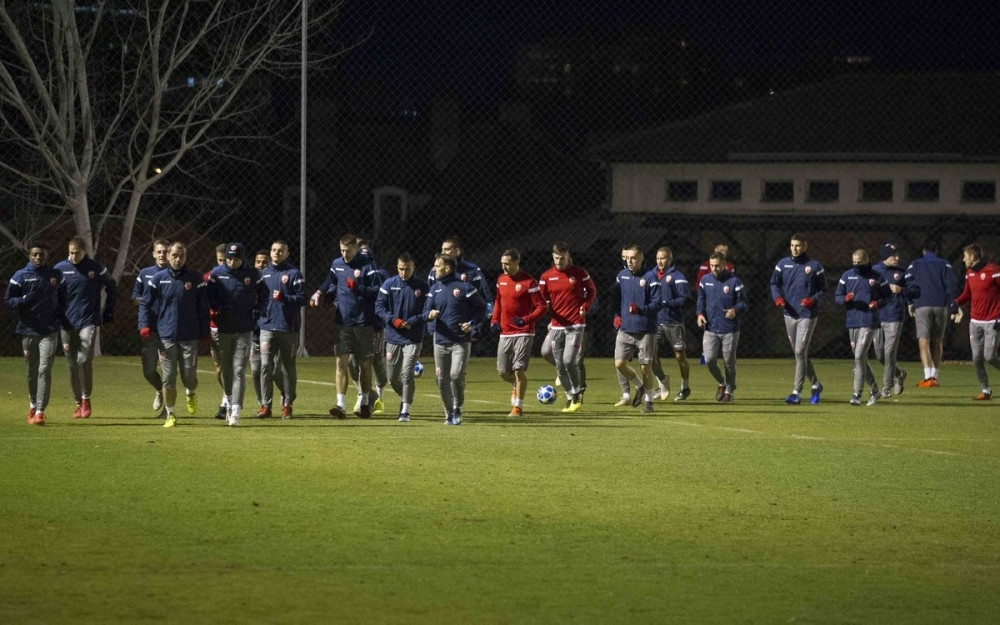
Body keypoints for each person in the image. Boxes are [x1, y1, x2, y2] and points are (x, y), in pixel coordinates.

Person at [139, 242, 210, 428]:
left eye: (181, 256)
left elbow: (203, 308)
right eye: (174, 256)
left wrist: (204, 332)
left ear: (185, 257)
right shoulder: (157, 279)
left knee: (189, 377)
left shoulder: (195, 279)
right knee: (168, 378)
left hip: (189, 336)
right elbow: (145, 304)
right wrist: (144, 325)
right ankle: (171, 414)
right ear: (168, 257)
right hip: (166, 337)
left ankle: (190, 392)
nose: (177, 259)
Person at [320, 234, 384, 419]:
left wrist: (358, 288)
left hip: (363, 323)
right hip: (342, 323)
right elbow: (331, 281)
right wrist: (320, 292)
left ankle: (364, 401)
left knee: (365, 364)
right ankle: (340, 405)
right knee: (341, 363)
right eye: (342, 250)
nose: (345, 254)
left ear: (355, 249)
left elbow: (377, 291)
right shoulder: (337, 264)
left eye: (348, 251)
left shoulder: (367, 266)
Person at [55, 236, 116, 419]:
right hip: (66, 323)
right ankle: (77, 402)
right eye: (70, 253)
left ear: (84, 251)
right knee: (72, 364)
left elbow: (111, 285)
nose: (73, 256)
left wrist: (109, 310)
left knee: (83, 360)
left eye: (77, 253)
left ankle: (86, 399)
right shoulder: (59, 269)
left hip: (88, 321)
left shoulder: (95, 268)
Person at [423, 253, 486, 425]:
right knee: (442, 379)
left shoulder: (464, 287)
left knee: (456, 375)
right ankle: (449, 413)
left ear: (448, 268)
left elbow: (482, 309)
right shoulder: (434, 288)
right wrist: (429, 314)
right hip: (440, 341)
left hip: (460, 341)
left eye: (438, 266)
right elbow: (424, 312)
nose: (434, 269)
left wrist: (472, 323)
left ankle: (458, 406)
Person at [5, 243, 64, 425]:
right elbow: (8, 300)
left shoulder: (55, 275)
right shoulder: (21, 276)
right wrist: (24, 299)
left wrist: (59, 319)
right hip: (28, 330)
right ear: (30, 256)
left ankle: (40, 411)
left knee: (44, 369)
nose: (39, 258)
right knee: (31, 371)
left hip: (49, 331)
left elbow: (63, 299)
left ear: (47, 256)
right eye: (35, 255)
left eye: (42, 255)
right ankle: (32, 404)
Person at [207, 242, 263, 426]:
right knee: (226, 369)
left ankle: (236, 410)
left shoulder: (252, 274)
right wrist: (216, 308)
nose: (231, 262)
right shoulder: (216, 274)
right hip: (223, 329)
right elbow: (209, 296)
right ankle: (229, 400)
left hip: (244, 329)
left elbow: (264, 294)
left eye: (235, 259)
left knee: (239, 370)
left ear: (242, 259)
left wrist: (257, 310)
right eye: (229, 258)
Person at [539, 241, 596, 412]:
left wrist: (585, 306)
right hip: (557, 326)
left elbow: (592, 291)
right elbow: (543, 300)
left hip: (576, 324)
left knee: (568, 360)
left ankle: (578, 392)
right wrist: (546, 308)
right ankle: (571, 396)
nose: (559, 262)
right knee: (559, 364)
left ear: (568, 256)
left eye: (562, 258)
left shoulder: (579, 273)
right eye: (556, 258)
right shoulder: (546, 277)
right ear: (553, 257)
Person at [770, 233, 827, 405]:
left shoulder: (814, 266)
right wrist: (778, 298)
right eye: (792, 245)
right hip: (789, 313)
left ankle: (796, 392)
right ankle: (816, 385)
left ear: (805, 246)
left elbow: (823, 288)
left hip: (807, 315)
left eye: (798, 245)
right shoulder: (783, 264)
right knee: (800, 354)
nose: (795, 249)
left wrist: (812, 299)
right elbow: (774, 283)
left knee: (800, 352)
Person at [490, 248, 547, 418]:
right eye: (502, 264)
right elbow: (498, 302)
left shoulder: (529, 282)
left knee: (518, 369)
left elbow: (542, 307)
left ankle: (518, 407)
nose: (504, 267)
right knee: (502, 371)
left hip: (524, 332)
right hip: (505, 332)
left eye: (507, 264)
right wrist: (494, 320)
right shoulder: (501, 280)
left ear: (516, 262)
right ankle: (516, 385)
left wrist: (526, 319)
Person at [375, 252, 429, 422]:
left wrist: (412, 321)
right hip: (393, 336)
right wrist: (394, 320)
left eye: (407, 269)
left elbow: (427, 311)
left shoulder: (422, 287)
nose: (403, 272)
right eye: (400, 269)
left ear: (414, 267)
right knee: (392, 378)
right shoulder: (389, 284)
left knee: (407, 374)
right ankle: (406, 398)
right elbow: (379, 307)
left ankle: (405, 409)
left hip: (413, 338)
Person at [257, 240, 305, 419]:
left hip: (287, 327)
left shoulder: (293, 274)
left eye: (280, 250)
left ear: (287, 253)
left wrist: (285, 298)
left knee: (287, 367)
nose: (276, 253)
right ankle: (265, 405)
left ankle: (288, 404)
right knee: (265, 366)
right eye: (274, 250)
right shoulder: (262, 274)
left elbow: (302, 298)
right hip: (267, 327)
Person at [834, 249, 886, 406]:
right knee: (860, 359)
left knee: (858, 357)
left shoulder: (877, 277)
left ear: (867, 260)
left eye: (860, 263)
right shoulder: (847, 276)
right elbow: (837, 297)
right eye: (854, 263)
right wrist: (845, 299)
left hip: (869, 321)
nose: (857, 266)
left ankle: (856, 394)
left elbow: (887, 297)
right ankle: (875, 390)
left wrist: (878, 303)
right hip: (853, 321)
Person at [612, 244, 660, 413]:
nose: (630, 261)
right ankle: (639, 386)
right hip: (625, 328)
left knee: (645, 366)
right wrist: (617, 315)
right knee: (619, 363)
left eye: (633, 258)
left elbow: (657, 304)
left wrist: (641, 309)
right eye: (628, 258)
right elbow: (616, 300)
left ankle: (649, 402)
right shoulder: (622, 276)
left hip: (646, 330)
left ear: (641, 259)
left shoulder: (650, 278)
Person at [950, 244, 1000, 400]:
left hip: (992, 321)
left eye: (965, 256)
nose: (963, 259)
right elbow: (967, 294)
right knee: (977, 358)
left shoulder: (994, 271)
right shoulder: (969, 273)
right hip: (975, 322)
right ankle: (985, 390)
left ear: (972, 257)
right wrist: (956, 302)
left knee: (990, 356)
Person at [905, 241, 959, 387]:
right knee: (938, 340)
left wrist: (910, 302)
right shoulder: (944, 264)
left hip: (922, 304)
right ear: (936, 251)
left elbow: (908, 283)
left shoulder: (915, 264)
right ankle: (935, 376)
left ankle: (928, 377)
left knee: (924, 341)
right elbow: (951, 284)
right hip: (941, 306)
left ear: (923, 250)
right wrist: (952, 302)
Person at [696, 252, 746, 402]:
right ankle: (721, 382)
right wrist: (699, 314)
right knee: (710, 359)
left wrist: (735, 310)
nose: (714, 268)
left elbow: (743, 302)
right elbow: (701, 299)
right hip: (710, 327)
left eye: (717, 265)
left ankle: (729, 390)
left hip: (729, 329)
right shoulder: (705, 280)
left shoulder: (734, 281)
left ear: (724, 264)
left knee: (729, 362)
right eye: (712, 265)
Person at [131, 238, 170, 417]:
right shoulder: (145, 273)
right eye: (159, 252)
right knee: (148, 371)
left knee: (168, 368)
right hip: (149, 328)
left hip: (169, 328)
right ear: (153, 254)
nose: (162, 255)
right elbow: (135, 297)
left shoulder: (175, 274)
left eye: (165, 252)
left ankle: (168, 410)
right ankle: (159, 390)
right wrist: (146, 301)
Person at [649, 246, 692, 401]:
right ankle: (662, 382)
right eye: (658, 258)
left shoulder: (677, 276)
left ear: (670, 259)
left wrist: (667, 303)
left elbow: (685, 298)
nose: (660, 261)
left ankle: (685, 387)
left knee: (680, 356)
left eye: (664, 258)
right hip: (656, 322)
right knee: (651, 356)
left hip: (674, 322)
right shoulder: (651, 275)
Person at [872, 243, 914, 397]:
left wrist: (901, 290)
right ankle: (899, 374)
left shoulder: (902, 273)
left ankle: (886, 387)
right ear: (884, 257)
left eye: (897, 255)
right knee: (880, 355)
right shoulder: (874, 271)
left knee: (890, 353)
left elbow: (914, 291)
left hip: (894, 316)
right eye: (893, 255)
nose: (897, 258)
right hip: (877, 317)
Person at [249, 249, 283, 410]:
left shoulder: (272, 282)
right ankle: (263, 403)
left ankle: (286, 394)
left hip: (271, 329)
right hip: (254, 334)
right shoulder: (248, 282)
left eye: (264, 262)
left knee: (275, 371)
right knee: (256, 370)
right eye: (258, 262)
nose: (261, 265)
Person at [427, 236, 493, 320]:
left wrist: (479, 319)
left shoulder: (472, 269)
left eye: (447, 249)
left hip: (466, 320)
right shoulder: (434, 270)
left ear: (457, 251)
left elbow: (484, 294)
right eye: (442, 249)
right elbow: (428, 295)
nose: (443, 252)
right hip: (441, 321)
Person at [207, 244, 229, 420]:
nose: (222, 264)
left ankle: (226, 403)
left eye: (225, 260)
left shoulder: (237, 276)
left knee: (230, 366)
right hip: (214, 328)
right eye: (219, 260)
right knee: (219, 368)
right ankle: (228, 397)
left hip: (232, 328)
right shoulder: (210, 276)